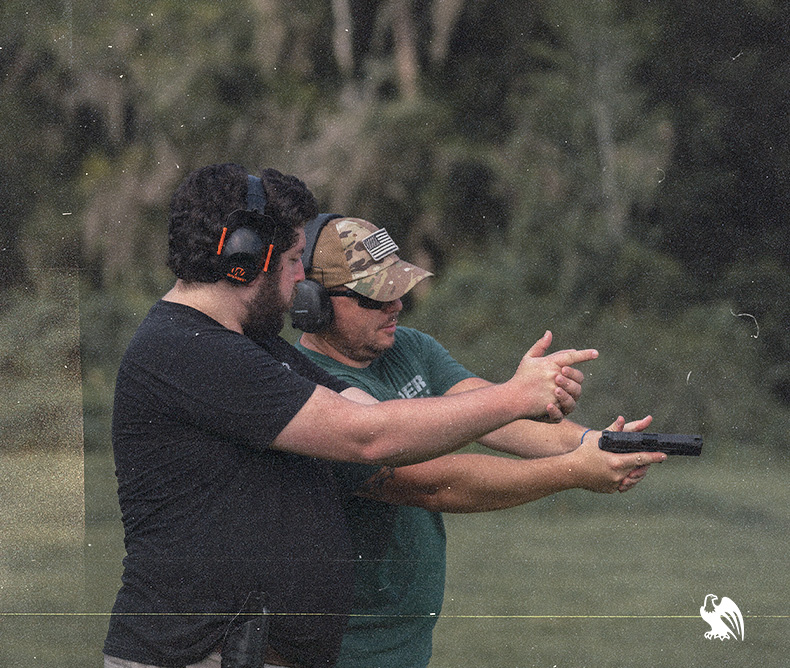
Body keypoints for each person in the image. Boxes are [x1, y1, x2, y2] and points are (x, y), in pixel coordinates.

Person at [102, 164, 607, 668]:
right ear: (247, 257)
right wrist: (516, 399)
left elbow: (374, 413)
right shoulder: (189, 350)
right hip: (193, 656)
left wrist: (587, 443)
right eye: (297, 259)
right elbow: (367, 437)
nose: (303, 279)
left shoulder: (250, 346)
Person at [292, 214, 666, 668]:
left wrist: (593, 442)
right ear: (312, 302)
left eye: (399, 289)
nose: (397, 305)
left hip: (404, 637)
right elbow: (432, 484)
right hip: (339, 647)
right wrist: (574, 470)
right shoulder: (307, 390)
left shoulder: (407, 346)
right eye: (377, 295)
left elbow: (487, 411)